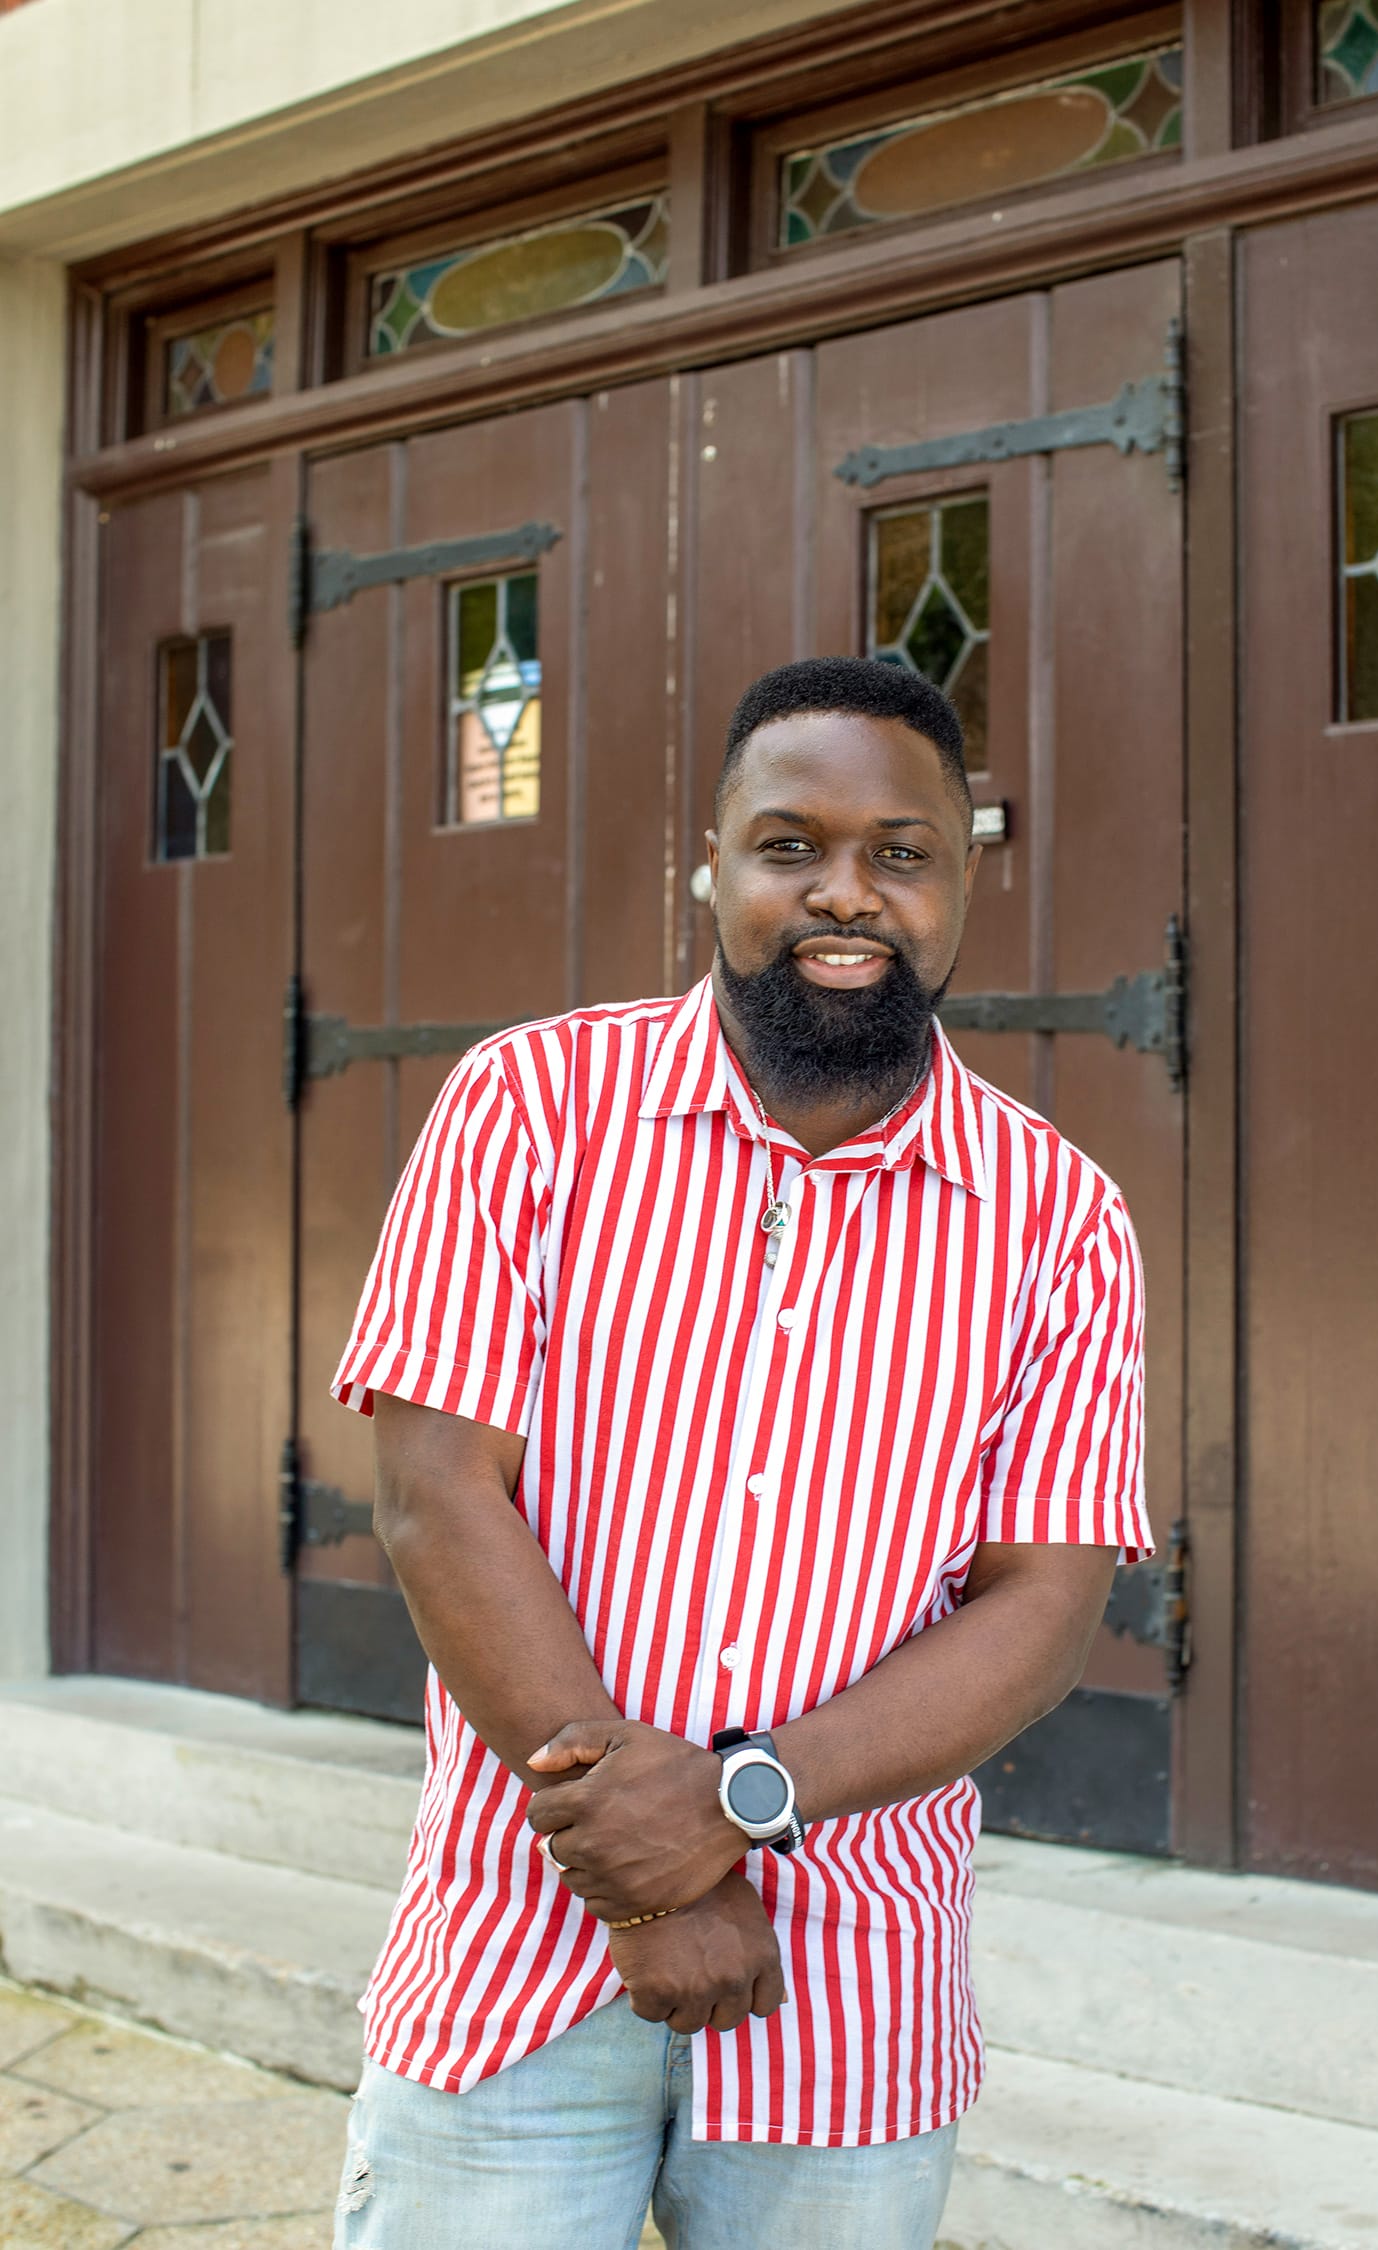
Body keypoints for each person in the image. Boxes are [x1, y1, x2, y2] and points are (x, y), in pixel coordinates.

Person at [329, 655, 1150, 2250]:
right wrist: (659, 1878)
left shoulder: (1061, 1219)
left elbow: (1042, 1604)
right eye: (790, 845)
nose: (846, 893)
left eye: (899, 852)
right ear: (709, 864)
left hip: (856, 1985)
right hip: (513, 1948)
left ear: (963, 875)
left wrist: (742, 1801)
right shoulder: (530, 1110)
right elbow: (437, 1496)